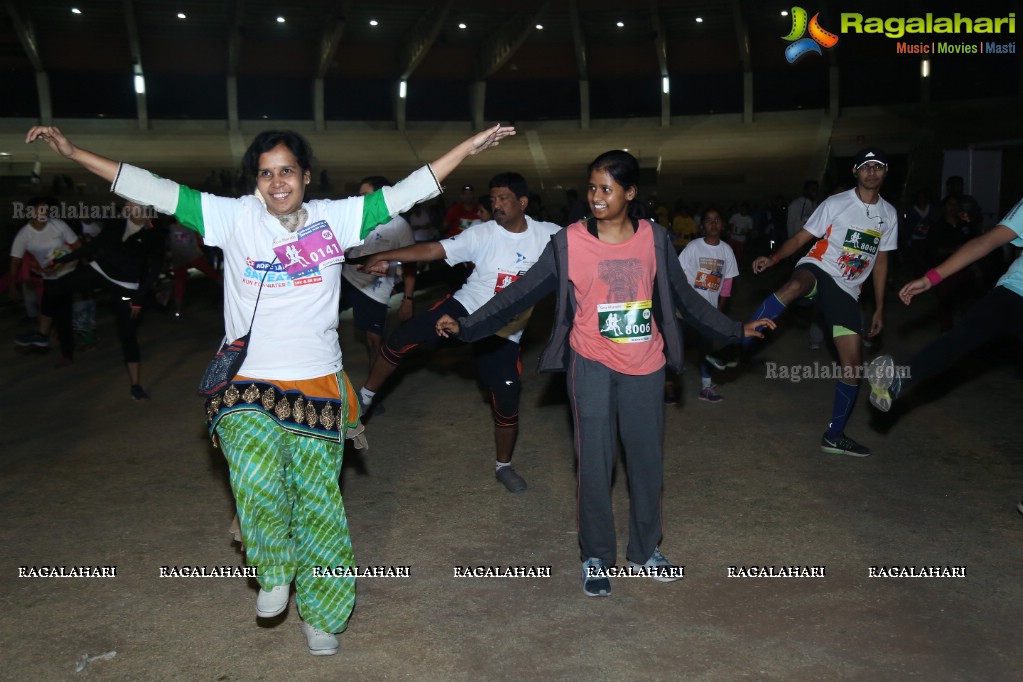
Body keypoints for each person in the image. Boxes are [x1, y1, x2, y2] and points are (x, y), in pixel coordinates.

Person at [25, 122, 515, 655]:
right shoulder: (231, 216)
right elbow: (152, 188)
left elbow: (407, 192)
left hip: (318, 383)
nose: (276, 181)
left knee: (318, 503)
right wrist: (73, 152)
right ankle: (275, 570)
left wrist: (467, 148)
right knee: (255, 477)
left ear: (305, 175)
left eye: (286, 170)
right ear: (255, 181)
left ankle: (324, 615)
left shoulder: (337, 217)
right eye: (265, 173)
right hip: (247, 381)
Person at [434, 151, 773, 597]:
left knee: (646, 463)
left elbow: (685, 298)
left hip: (645, 365)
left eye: (607, 189)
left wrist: (735, 329)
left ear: (630, 194)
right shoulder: (569, 241)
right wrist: (468, 326)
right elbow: (520, 294)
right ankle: (595, 555)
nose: (596, 197)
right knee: (594, 463)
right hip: (590, 362)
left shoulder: (655, 238)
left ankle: (645, 550)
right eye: (592, 187)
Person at [354, 172, 561, 493]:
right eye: (492, 199)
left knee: (507, 395)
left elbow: (589, 246)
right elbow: (432, 250)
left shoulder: (550, 236)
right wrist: (383, 254)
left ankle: (503, 466)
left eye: (503, 198)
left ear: (522, 202)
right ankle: (365, 398)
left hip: (506, 330)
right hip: (465, 309)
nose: (496, 205)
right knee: (401, 338)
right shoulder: (482, 234)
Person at [712, 147, 899, 457]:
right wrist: (773, 258)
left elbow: (881, 262)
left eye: (878, 166)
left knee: (852, 366)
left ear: (885, 172)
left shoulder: (889, 215)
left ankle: (834, 435)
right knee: (795, 285)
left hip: (847, 290)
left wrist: (879, 307)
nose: (871, 171)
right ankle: (736, 347)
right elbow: (801, 239)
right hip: (818, 268)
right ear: (855, 171)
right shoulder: (836, 203)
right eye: (865, 166)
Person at [865, 197, 1023, 514]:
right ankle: (898, 381)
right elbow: (987, 241)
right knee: (960, 337)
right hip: (1016, 294)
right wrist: (933, 276)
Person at [53, 200, 166, 400]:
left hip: (126, 289)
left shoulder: (154, 233)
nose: (126, 207)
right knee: (57, 287)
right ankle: (44, 332)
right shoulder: (116, 223)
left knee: (128, 333)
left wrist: (139, 298)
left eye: (131, 204)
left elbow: (154, 270)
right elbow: (94, 245)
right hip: (100, 272)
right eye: (127, 204)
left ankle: (136, 385)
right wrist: (63, 260)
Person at [340, 175, 417, 381]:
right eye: (359, 195)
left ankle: (371, 393)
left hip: (376, 292)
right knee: (321, 324)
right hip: (348, 281)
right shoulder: (355, 218)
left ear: (381, 196)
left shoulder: (399, 225)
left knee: (375, 342)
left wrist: (407, 300)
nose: (360, 200)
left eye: (366, 195)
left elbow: (411, 264)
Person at [9, 196, 80, 365]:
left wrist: (72, 261)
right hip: (49, 276)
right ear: (31, 213)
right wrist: (12, 284)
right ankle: (43, 336)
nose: (44, 213)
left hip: (67, 273)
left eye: (46, 210)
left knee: (61, 313)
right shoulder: (25, 234)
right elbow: (15, 260)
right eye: (40, 210)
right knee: (50, 308)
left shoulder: (58, 225)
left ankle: (63, 350)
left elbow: (78, 246)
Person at [678, 207, 739, 402]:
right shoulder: (694, 247)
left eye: (717, 220)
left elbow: (727, 284)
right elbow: (677, 275)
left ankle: (706, 387)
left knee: (706, 349)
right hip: (686, 308)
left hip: (708, 310)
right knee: (674, 346)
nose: (713, 224)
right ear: (702, 225)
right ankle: (668, 387)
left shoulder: (726, 251)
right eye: (708, 220)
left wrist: (719, 310)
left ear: (723, 224)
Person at [168, 217, 222, 317]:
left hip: (188, 255)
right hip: (183, 256)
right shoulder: (172, 228)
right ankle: (178, 309)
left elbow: (193, 242)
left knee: (210, 273)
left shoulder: (185, 228)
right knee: (180, 282)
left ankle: (178, 309)